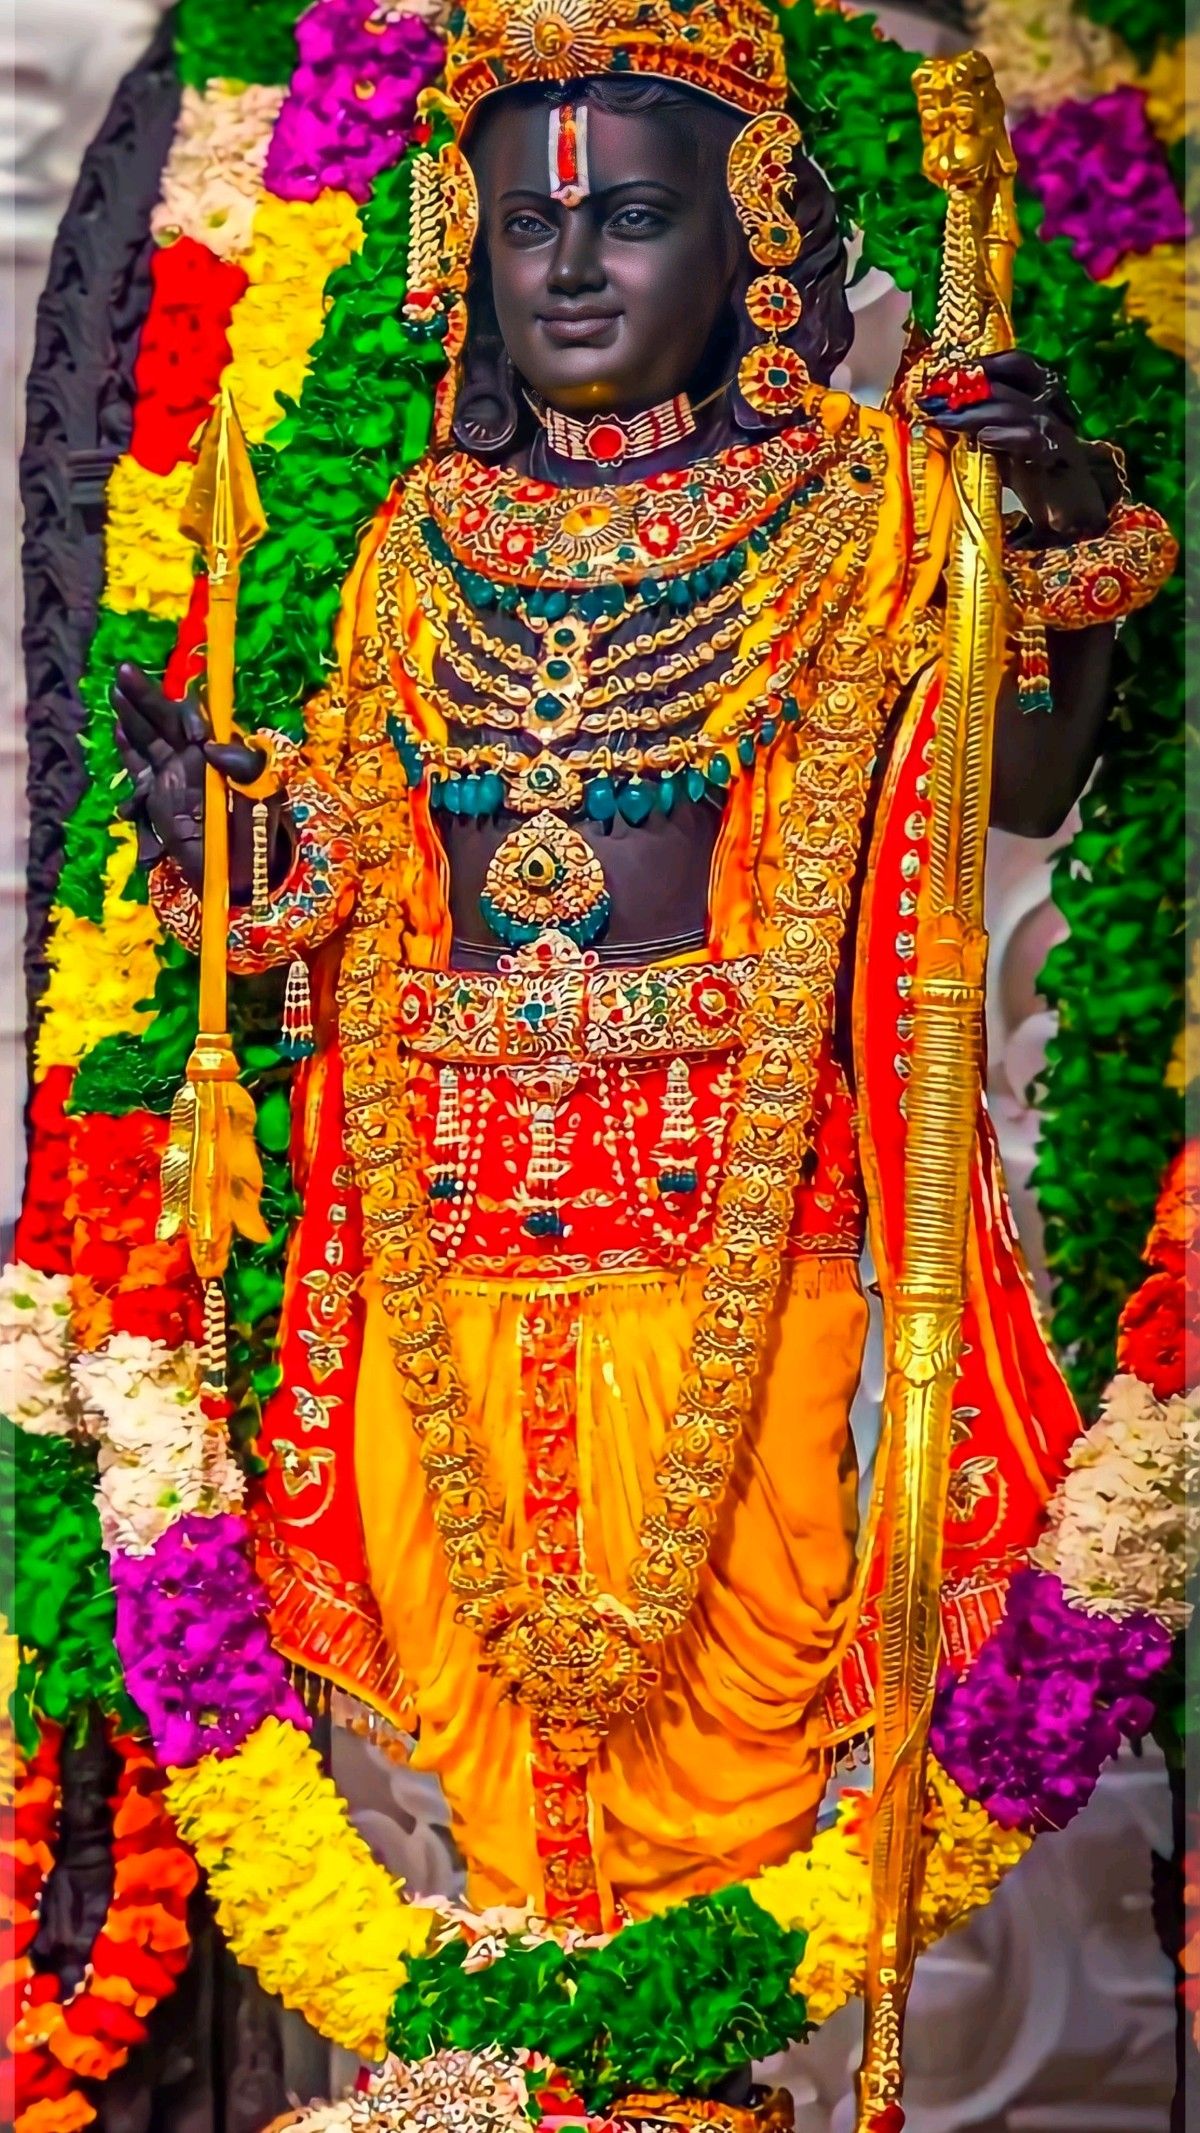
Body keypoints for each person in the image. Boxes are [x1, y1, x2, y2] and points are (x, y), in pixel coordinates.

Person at [110, 0, 1175, 1930]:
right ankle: (565, 2053)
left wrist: (1047, 519)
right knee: (480, 1689)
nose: (572, 268)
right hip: (446, 1203)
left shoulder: (862, 503)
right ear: (470, 251)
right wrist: (230, 847)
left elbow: (1014, 783)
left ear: (754, 235)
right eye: (529, 227)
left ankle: (682, 2059)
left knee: (732, 1670)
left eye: (629, 220)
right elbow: (353, 883)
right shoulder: (419, 540)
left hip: (742, 1200)